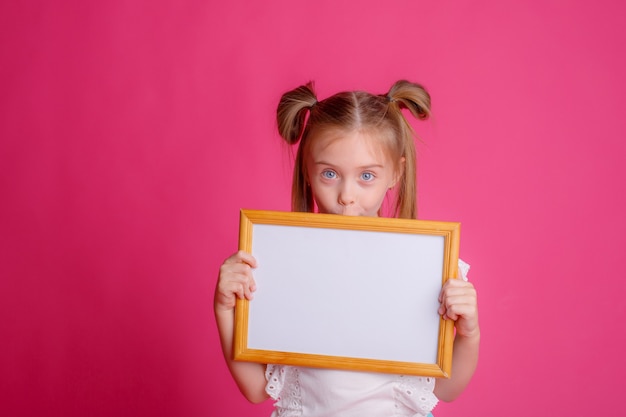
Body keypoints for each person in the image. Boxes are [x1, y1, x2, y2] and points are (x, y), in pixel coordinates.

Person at [214, 80, 480, 416]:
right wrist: (225, 309)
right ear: (308, 173)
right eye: (329, 173)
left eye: (366, 176)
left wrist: (468, 333)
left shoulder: (428, 267)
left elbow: (446, 387)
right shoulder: (278, 261)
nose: (346, 195)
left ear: (396, 173)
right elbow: (255, 390)